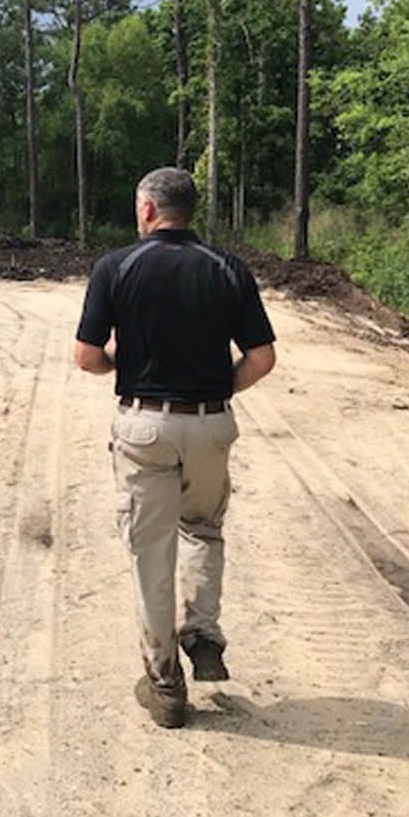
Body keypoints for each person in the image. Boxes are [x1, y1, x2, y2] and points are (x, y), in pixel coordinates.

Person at [73, 167, 277, 729]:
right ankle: (203, 633)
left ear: (146, 210)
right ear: (191, 211)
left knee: (150, 552)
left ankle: (165, 686)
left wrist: (125, 365)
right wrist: (215, 392)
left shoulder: (116, 268)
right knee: (204, 530)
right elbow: (261, 358)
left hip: (145, 426)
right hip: (211, 425)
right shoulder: (228, 269)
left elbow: (87, 357)